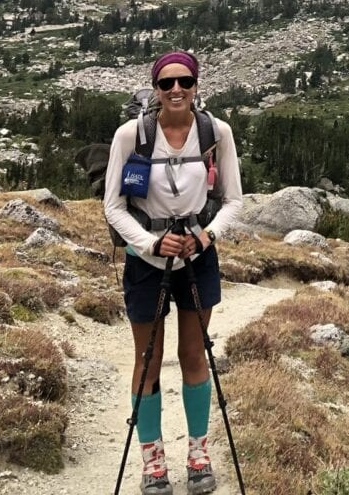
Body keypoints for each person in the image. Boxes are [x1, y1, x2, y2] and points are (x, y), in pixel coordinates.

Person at [104, 51, 242, 495]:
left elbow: (233, 200)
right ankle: (153, 462)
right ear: (157, 90)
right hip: (147, 262)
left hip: (198, 258)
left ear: (197, 85)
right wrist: (149, 243)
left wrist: (205, 237)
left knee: (193, 355)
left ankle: (198, 455)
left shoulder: (216, 133)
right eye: (167, 84)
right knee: (147, 362)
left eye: (185, 81)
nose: (176, 90)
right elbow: (113, 207)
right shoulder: (131, 136)